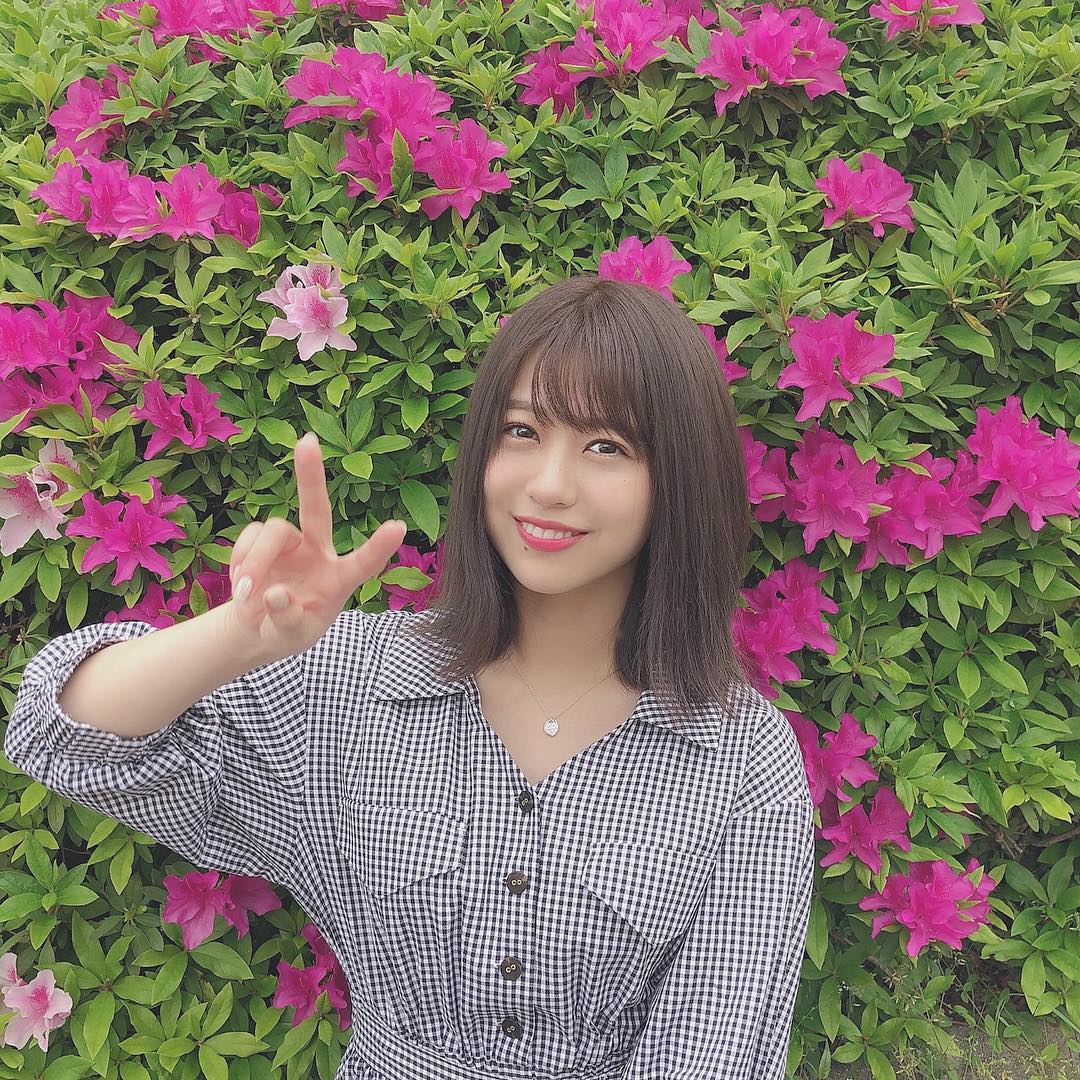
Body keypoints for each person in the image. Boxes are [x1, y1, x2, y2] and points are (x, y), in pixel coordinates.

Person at [6, 275, 815, 1079]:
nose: (549, 484)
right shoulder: (357, 683)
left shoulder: (740, 759)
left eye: (607, 446)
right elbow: (59, 733)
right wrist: (240, 636)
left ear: (678, 477)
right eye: (522, 430)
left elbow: (713, 1055)